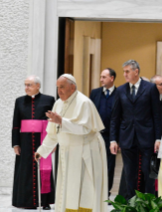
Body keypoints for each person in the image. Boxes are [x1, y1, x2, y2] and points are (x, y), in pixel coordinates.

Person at [35, 74, 108, 212]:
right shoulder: (58, 103)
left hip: (86, 152)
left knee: (86, 191)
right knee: (69, 190)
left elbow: (85, 128)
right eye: (57, 88)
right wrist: (42, 150)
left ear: (72, 87)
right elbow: (53, 133)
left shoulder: (84, 102)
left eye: (62, 87)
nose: (59, 91)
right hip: (68, 153)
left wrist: (62, 121)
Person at [110, 59, 162, 199]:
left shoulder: (150, 88)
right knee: (129, 174)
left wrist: (158, 138)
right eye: (124, 72)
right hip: (127, 138)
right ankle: (131, 204)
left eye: (127, 71)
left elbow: (156, 115)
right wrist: (113, 140)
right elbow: (115, 117)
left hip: (147, 137)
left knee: (147, 172)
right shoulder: (120, 90)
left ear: (136, 71)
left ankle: (148, 203)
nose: (125, 74)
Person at [12, 76, 55, 210]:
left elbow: (53, 123)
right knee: (24, 170)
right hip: (24, 142)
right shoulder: (19, 101)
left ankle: (45, 202)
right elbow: (15, 125)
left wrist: (53, 143)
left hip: (42, 140)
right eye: (25, 85)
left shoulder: (49, 100)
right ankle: (25, 201)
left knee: (45, 170)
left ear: (38, 86)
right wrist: (15, 144)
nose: (26, 88)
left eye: (29, 85)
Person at [90, 68, 117, 198]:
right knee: (95, 162)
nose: (101, 79)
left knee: (109, 164)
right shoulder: (95, 93)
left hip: (111, 136)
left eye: (104, 77)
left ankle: (106, 190)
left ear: (112, 78)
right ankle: (95, 189)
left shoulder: (119, 93)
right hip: (96, 134)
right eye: (101, 77)